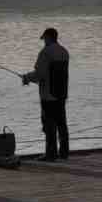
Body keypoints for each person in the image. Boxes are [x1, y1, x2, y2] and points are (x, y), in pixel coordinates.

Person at [23, 27, 70, 162]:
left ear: (49, 37)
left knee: (49, 125)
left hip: (48, 96)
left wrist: (26, 77)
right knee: (62, 124)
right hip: (61, 94)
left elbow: (40, 74)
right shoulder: (64, 52)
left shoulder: (45, 53)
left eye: (44, 38)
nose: (44, 41)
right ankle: (64, 153)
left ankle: (50, 154)